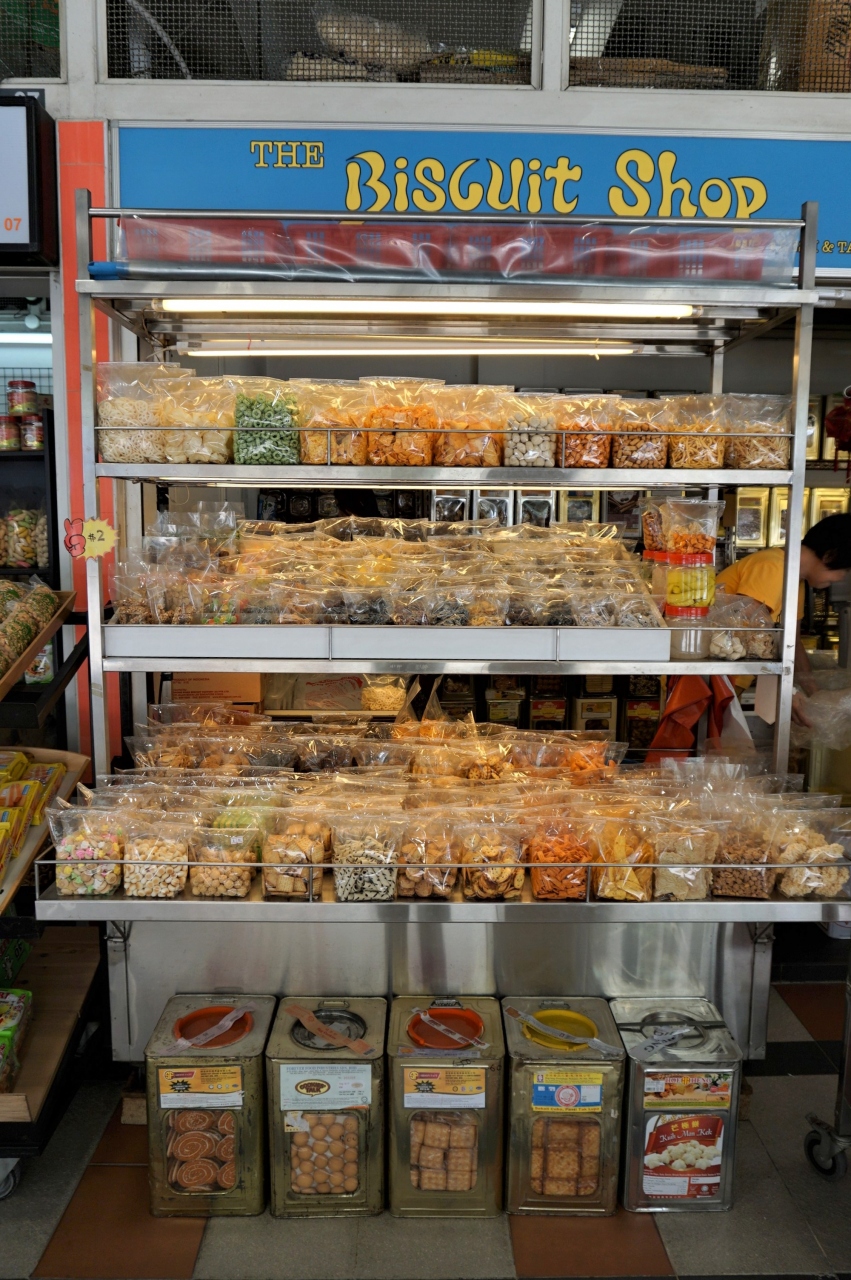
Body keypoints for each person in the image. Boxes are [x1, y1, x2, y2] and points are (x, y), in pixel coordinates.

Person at [716, 512, 851, 724]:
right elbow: (748, 630)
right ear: (830, 556)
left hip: (731, 676)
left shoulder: (795, 579)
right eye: (845, 569)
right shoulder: (774, 567)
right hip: (712, 675)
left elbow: (792, 643)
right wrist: (787, 688)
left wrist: (814, 695)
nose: (842, 577)